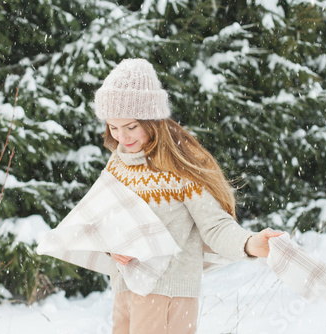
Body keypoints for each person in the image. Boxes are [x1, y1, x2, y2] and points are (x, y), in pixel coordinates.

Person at [91, 58, 283, 334]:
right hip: (125, 289)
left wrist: (251, 243)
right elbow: (102, 221)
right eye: (113, 127)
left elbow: (215, 227)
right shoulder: (117, 164)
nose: (122, 137)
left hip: (166, 294)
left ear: (153, 121)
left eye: (131, 127)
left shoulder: (179, 169)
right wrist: (114, 247)